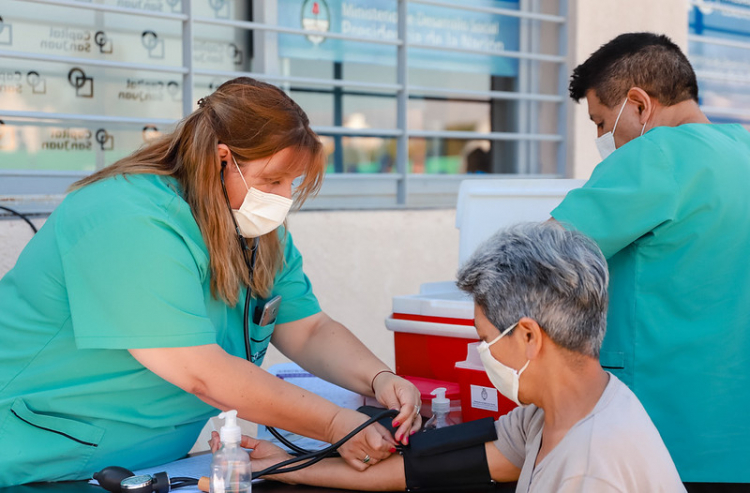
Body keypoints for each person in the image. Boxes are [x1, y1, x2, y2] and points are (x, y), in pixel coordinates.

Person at [0, 77, 422, 486]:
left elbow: (309, 329)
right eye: (271, 181)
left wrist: (378, 379)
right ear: (222, 159)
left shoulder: (256, 232)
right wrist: (335, 424)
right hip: (35, 459)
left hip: (148, 466)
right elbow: (201, 372)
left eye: (290, 184)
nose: (281, 199)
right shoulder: (126, 218)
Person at [211, 222, 685, 492]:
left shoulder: (590, 472)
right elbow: (429, 464)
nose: (481, 354)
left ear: (527, 336)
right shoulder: (560, 413)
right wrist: (287, 466)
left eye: (484, 337)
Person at [550, 32, 750, 491]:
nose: (602, 138)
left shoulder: (656, 154)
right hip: (736, 436)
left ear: (639, 104)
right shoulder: (741, 150)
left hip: (662, 432)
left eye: (601, 122)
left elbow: (540, 258)